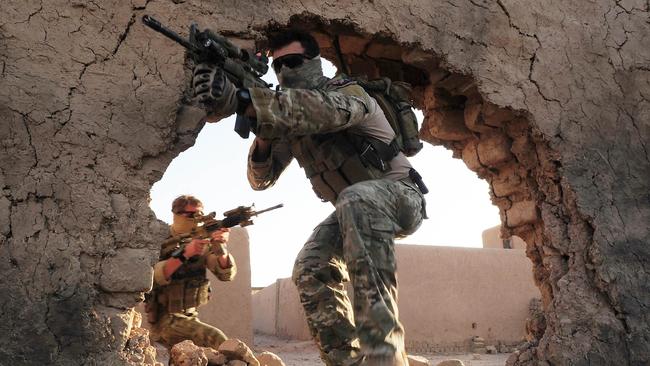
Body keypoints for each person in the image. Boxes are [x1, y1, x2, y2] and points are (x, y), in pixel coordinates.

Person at [192, 30, 426, 366]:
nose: (285, 71)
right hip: (353, 212)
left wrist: (246, 101)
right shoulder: (289, 117)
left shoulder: (349, 93)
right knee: (310, 267)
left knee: (357, 198)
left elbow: (325, 112)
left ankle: (384, 356)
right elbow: (261, 179)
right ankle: (346, 361)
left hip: (401, 198)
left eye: (293, 62)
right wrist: (263, 136)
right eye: (278, 66)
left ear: (314, 63)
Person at [145, 195, 237, 350]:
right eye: (191, 215)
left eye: (200, 215)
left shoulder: (202, 242)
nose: (197, 219)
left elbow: (225, 275)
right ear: (177, 214)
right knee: (216, 339)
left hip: (190, 317)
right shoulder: (159, 238)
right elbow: (155, 277)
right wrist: (185, 254)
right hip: (164, 320)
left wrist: (220, 246)